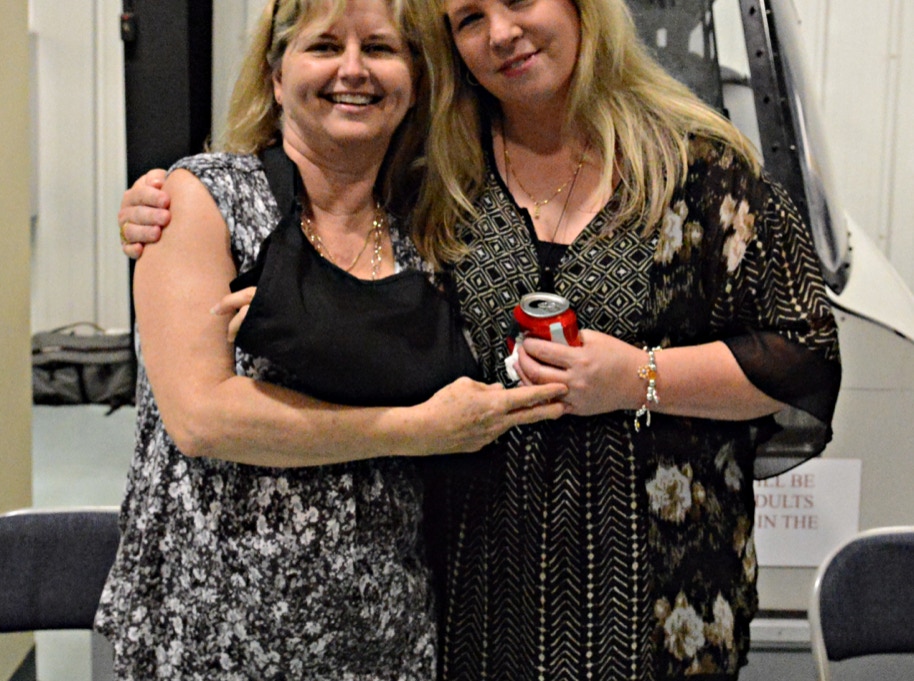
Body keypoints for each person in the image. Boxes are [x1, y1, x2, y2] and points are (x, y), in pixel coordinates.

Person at [119, 0, 842, 678]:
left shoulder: (696, 167)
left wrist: (637, 377)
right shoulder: (441, 177)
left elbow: (803, 353)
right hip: (473, 596)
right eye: (469, 17)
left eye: (519, 0)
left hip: (656, 592)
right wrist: (165, 204)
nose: (500, 32)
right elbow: (316, 228)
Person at [97, 0, 568, 678]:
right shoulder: (203, 200)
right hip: (212, 637)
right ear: (276, 74)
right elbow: (203, 417)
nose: (353, 70)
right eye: (324, 47)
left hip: (385, 637)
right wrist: (416, 429)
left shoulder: (428, 231)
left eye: (379, 48)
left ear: (415, 81)